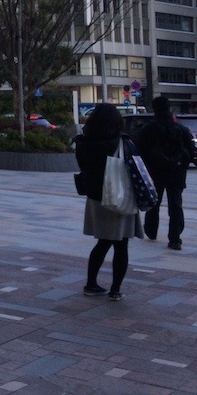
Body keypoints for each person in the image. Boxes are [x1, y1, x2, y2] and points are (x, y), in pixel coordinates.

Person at [73, 103, 142, 301]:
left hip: (96, 197)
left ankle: (91, 283)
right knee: (121, 244)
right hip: (121, 195)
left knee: (103, 242)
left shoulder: (83, 143)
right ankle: (115, 289)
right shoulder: (120, 142)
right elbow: (135, 166)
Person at [136, 96, 190, 250]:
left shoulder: (148, 129)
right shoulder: (181, 129)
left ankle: (151, 231)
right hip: (177, 172)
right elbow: (189, 152)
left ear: (154, 109)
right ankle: (175, 238)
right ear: (169, 108)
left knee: (154, 201)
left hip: (156, 172)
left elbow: (141, 152)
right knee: (176, 204)